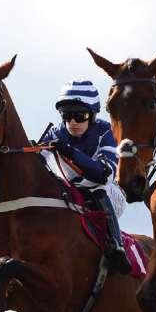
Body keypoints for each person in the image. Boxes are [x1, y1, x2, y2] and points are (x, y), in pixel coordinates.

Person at [40, 79, 132, 273]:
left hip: (107, 192)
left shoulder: (106, 131)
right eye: (66, 116)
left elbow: (103, 174)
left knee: (98, 188)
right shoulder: (55, 132)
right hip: (69, 191)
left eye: (80, 116)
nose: (72, 122)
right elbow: (36, 167)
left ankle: (117, 247)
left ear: (92, 115)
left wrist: (70, 152)